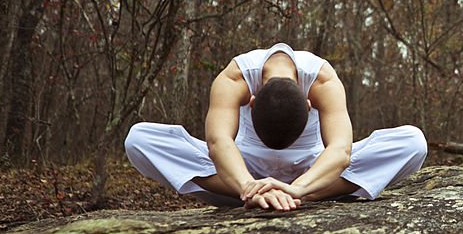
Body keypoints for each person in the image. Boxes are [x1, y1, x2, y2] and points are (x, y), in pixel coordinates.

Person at [125, 43, 427, 210]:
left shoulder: (322, 80)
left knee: (413, 143)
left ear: (310, 105)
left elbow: (340, 151)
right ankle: (258, 195)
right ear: (251, 101)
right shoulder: (235, 78)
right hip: (240, 170)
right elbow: (219, 143)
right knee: (139, 139)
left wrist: (299, 188)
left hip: (312, 171)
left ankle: (293, 196)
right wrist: (247, 186)